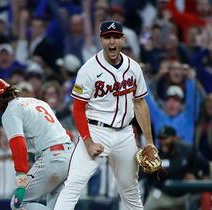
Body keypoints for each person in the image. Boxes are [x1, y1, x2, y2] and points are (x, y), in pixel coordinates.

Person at [54, 20, 157, 210]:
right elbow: (77, 109)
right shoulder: (88, 70)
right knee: (74, 183)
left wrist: (149, 141)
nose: (112, 42)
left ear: (123, 39)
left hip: (125, 133)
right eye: (107, 37)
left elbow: (139, 103)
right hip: (96, 130)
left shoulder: (133, 67)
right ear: (100, 40)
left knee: (130, 191)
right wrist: (88, 141)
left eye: (116, 37)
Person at [0, 78, 74, 210]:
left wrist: (21, 181)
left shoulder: (10, 111)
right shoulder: (37, 102)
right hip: (70, 156)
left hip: (52, 158)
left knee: (18, 204)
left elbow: (18, 145)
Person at [144, 126, 210, 210]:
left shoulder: (187, 150)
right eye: (160, 138)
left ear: (174, 138)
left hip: (184, 196)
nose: (162, 141)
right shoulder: (156, 154)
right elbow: (148, 176)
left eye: (165, 138)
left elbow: (205, 166)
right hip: (163, 194)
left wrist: (195, 176)